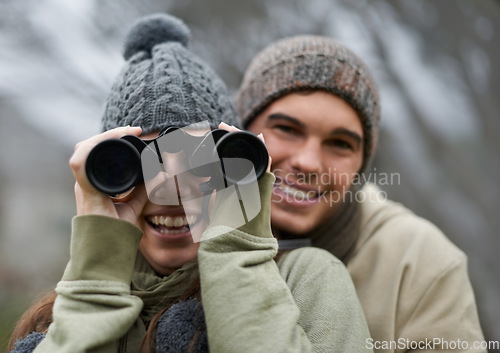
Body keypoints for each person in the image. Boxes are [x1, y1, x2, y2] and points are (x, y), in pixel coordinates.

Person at [8, 14, 373, 353]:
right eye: (141, 162)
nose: (169, 189)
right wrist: (97, 278)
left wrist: (236, 250)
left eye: (199, 160)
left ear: (236, 166)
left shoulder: (305, 278)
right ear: (106, 173)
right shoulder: (59, 312)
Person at [235, 35, 486, 352]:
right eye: (286, 129)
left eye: (340, 144)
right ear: (241, 131)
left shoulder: (418, 262)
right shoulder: (184, 227)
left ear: (361, 165)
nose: (309, 163)